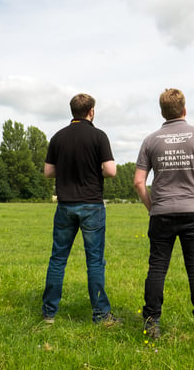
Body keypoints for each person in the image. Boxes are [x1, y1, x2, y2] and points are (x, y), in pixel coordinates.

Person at [133, 88, 194, 339]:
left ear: (162, 112)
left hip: (161, 212)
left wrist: (153, 208)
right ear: (184, 109)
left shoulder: (150, 140)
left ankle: (151, 325)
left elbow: (139, 182)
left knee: (157, 268)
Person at [41, 93, 120, 325]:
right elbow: (111, 171)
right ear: (91, 111)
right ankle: (100, 315)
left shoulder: (58, 137)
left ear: (72, 111)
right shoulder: (99, 136)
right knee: (94, 261)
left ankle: (49, 313)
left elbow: (48, 172)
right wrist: (96, 170)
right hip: (91, 205)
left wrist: (65, 169)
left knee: (58, 259)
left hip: (65, 205)